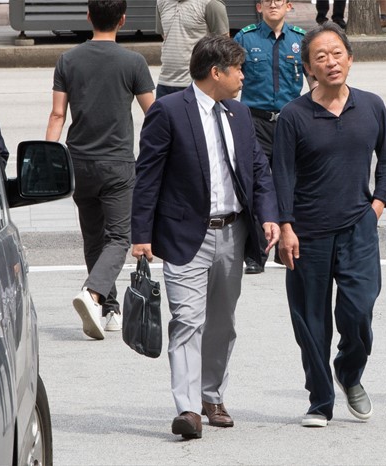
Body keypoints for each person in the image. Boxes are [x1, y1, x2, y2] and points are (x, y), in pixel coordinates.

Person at [131, 34, 279, 439]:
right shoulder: (168, 111)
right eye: (239, 70)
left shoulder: (240, 113)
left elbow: (258, 169)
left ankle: (212, 396)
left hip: (233, 233)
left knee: (222, 323)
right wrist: (141, 234)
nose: (244, 77)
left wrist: (269, 216)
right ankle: (188, 408)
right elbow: (148, 176)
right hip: (184, 236)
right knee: (187, 320)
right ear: (216, 72)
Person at [272, 22, 386, 428]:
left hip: (358, 227)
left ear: (350, 58)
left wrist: (377, 205)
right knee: (311, 321)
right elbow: (281, 176)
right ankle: (320, 400)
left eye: (337, 53)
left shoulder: (372, 105)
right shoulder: (293, 116)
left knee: (359, 309)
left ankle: (349, 371)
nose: (331, 62)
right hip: (306, 232)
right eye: (320, 57)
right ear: (309, 68)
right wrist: (286, 227)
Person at [46, 0, 155, 341]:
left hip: (79, 163)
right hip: (118, 164)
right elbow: (153, 114)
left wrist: (47, 156)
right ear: (122, 20)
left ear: (89, 16)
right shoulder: (134, 62)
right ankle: (94, 293)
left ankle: (110, 310)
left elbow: (58, 115)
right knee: (119, 238)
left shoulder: (68, 60)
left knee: (94, 238)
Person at [234, 0, 306, 274]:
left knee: (289, 183)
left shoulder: (300, 40)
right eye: (267, 0)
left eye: (279, 0)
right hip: (255, 121)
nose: (273, 4)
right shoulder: (245, 38)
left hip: (289, 122)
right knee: (256, 184)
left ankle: (285, 248)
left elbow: (313, 79)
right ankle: (256, 254)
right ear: (259, 7)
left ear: (289, 6)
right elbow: (231, 75)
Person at [155, 0, 230, 99]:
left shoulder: (211, 3)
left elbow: (223, 45)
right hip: (164, 83)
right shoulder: (161, 2)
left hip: (197, 84)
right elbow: (165, 36)